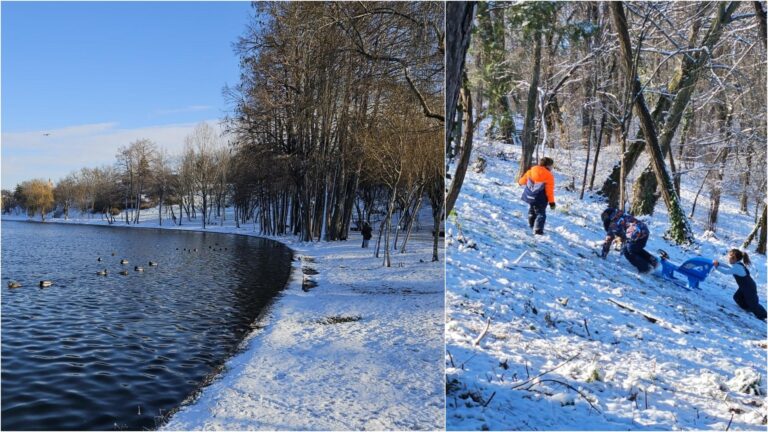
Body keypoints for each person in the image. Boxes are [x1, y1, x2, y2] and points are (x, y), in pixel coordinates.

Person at [713, 249, 767, 321]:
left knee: (753, 304)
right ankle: (748, 309)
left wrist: (717, 267)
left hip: (749, 287)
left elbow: (726, 272)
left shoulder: (737, 267)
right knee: (737, 297)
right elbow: (728, 266)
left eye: (729, 257)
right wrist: (718, 264)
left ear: (734, 258)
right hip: (744, 286)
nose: (727, 258)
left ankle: (763, 315)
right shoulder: (736, 264)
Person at [599, 207, 657, 273]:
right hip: (644, 232)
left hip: (637, 233)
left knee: (628, 250)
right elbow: (625, 234)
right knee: (633, 248)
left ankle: (645, 268)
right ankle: (652, 260)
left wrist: (603, 255)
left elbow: (608, 240)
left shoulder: (612, 225)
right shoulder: (622, 215)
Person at [518, 157, 556, 235]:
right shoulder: (549, 176)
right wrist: (552, 203)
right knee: (541, 214)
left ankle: (531, 225)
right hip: (540, 198)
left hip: (530, 196)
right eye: (552, 166)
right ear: (548, 166)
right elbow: (549, 191)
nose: (552, 168)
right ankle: (538, 230)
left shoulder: (531, 171)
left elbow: (521, 181)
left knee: (532, 209)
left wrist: (522, 182)